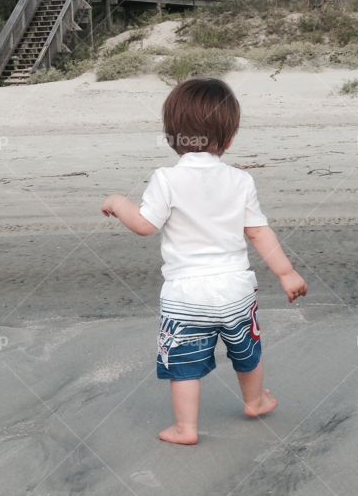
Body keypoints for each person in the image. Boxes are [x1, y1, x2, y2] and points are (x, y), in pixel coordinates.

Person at [101, 77, 307, 445]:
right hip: (235, 290)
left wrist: (118, 203)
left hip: (185, 295)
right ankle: (255, 401)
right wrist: (286, 272)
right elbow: (258, 233)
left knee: (184, 365)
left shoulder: (166, 179)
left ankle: (186, 428)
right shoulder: (240, 180)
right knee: (247, 350)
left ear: (171, 134)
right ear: (230, 138)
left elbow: (145, 226)